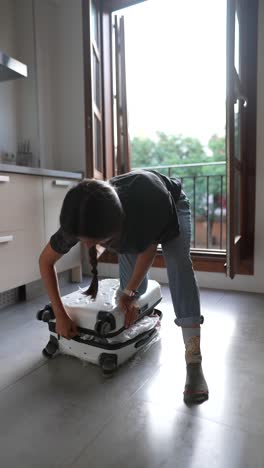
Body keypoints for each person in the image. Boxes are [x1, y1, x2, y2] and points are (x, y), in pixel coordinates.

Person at [39, 169, 208, 404]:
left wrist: (128, 293)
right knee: (132, 294)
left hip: (170, 204)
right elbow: (45, 261)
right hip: (131, 223)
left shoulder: (148, 206)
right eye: (84, 238)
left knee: (178, 264)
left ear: (116, 228)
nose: (86, 244)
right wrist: (60, 314)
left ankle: (194, 360)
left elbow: (148, 249)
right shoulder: (82, 216)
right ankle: (142, 314)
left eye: (95, 240)